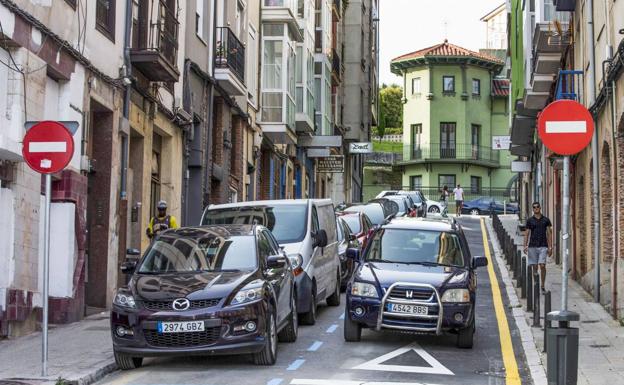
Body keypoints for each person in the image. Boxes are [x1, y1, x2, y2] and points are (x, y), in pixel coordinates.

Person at [523, 202, 552, 293]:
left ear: (540, 208)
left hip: (543, 246)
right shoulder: (530, 220)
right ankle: (536, 283)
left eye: (537, 207)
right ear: (532, 209)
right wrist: (525, 245)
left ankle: (542, 285)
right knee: (534, 266)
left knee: (542, 265)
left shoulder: (546, 220)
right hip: (532, 246)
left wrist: (550, 247)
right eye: (534, 207)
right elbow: (527, 234)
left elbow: (549, 234)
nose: (536, 208)